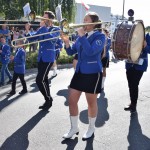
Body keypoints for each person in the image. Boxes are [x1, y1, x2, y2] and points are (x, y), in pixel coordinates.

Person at [61, 12, 105, 140]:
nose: (83, 22)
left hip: (93, 73)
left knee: (91, 103)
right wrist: (67, 43)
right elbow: (71, 52)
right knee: (72, 100)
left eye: (86, 20)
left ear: (94, 23)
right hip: (79, 72)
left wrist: (81, 36)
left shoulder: (100, 36)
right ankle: (74, 128)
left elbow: (91, 51)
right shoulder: (82, 36)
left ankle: (91, 128)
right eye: (83, 19)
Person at [25, 11, 59, 110]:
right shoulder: (42, 28)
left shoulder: (56, 29)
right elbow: (32, 39)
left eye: (45, 18)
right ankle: (48, 100)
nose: (42, 19)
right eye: (42, 17)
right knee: (43, 80)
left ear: (50, 19)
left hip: (49, 58)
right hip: (41, 57)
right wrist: (27, 30)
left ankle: (48, 98)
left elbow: (52, 40)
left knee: (39, 80)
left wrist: (43, 28)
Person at [124, 32, 150, 113]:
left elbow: (149, 50)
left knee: (134, 84)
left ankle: (133, 106)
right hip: (129, 64)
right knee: (130, 85)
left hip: (140, 66)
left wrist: (145, 46)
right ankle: (132, 103)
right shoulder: (129, 34)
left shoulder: (147, 36)